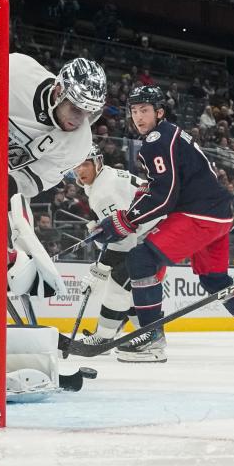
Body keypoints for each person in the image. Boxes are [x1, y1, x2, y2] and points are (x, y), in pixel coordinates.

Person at [92, 85, 234, 363]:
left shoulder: (156, 140)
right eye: (134, 111)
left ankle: (151, 338)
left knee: (141, 259)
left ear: (159, 112)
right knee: (214, 279)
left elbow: (165, 196)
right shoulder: (170, 134)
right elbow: (164, 187)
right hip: (218, 214)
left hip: (199, 215)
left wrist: (127, 220)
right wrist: (134, 210)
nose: (138, 117)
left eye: (144, 110)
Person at [73, 145, 160, 348]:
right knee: (128, 290)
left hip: (151, 234)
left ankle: (104, 337)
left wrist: (99, 269)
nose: (80, 170)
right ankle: (148, 333)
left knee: (117, 285)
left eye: (85, 164)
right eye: (76, 166)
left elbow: (124, 239)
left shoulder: (104, 192)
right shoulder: (107, 177)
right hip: (149, 231)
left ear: (98, 163)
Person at [7, 54, 106, 198]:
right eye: (76, 109)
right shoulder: (17, 70)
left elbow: (33, 179)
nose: (80, 120)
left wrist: (3, 187)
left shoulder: (79, 145)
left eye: (88, 112)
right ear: (59, 91)